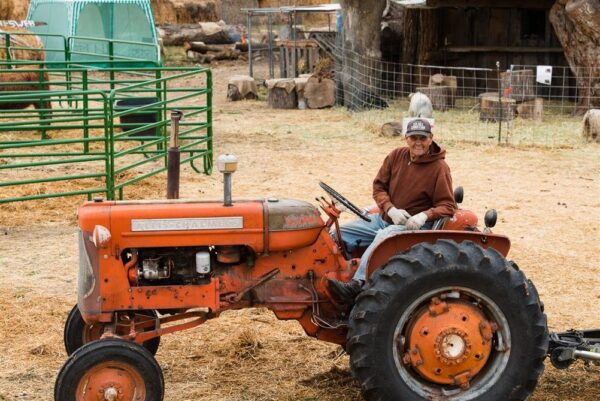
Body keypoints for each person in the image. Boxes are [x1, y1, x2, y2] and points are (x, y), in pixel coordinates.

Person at [328, 118, 456, 304]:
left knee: (383, 237)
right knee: (339, 233)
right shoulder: (396, 156)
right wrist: (390, 208)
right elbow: (378, 187)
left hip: (412, 226)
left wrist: (423, 216)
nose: (418, 142)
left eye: (422, 137)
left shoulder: (439, 168)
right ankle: (338, 271)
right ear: (406, 138)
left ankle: (358, 284)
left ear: (431, 139)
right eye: (413, 138)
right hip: (385, 218)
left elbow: (448, 205)